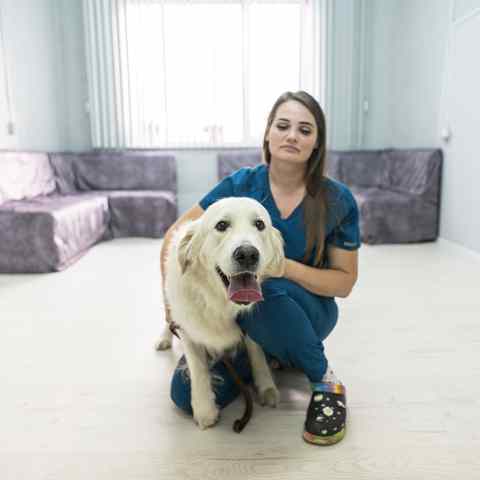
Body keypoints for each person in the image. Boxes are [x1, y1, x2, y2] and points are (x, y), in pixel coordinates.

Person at [160, 91, 360, 445]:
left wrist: (282, 267)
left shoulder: (337, 200)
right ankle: (271, 355)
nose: (292, 136)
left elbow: (343, 284)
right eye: (282, 126)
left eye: (305, 130)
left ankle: (325, 381)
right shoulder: (242, 184)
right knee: (183, 395)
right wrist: (172, 308)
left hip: (307, 309)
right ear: (268, 133)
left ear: (317, 142)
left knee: (266, 290)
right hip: (241, 318)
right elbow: (179, 234)